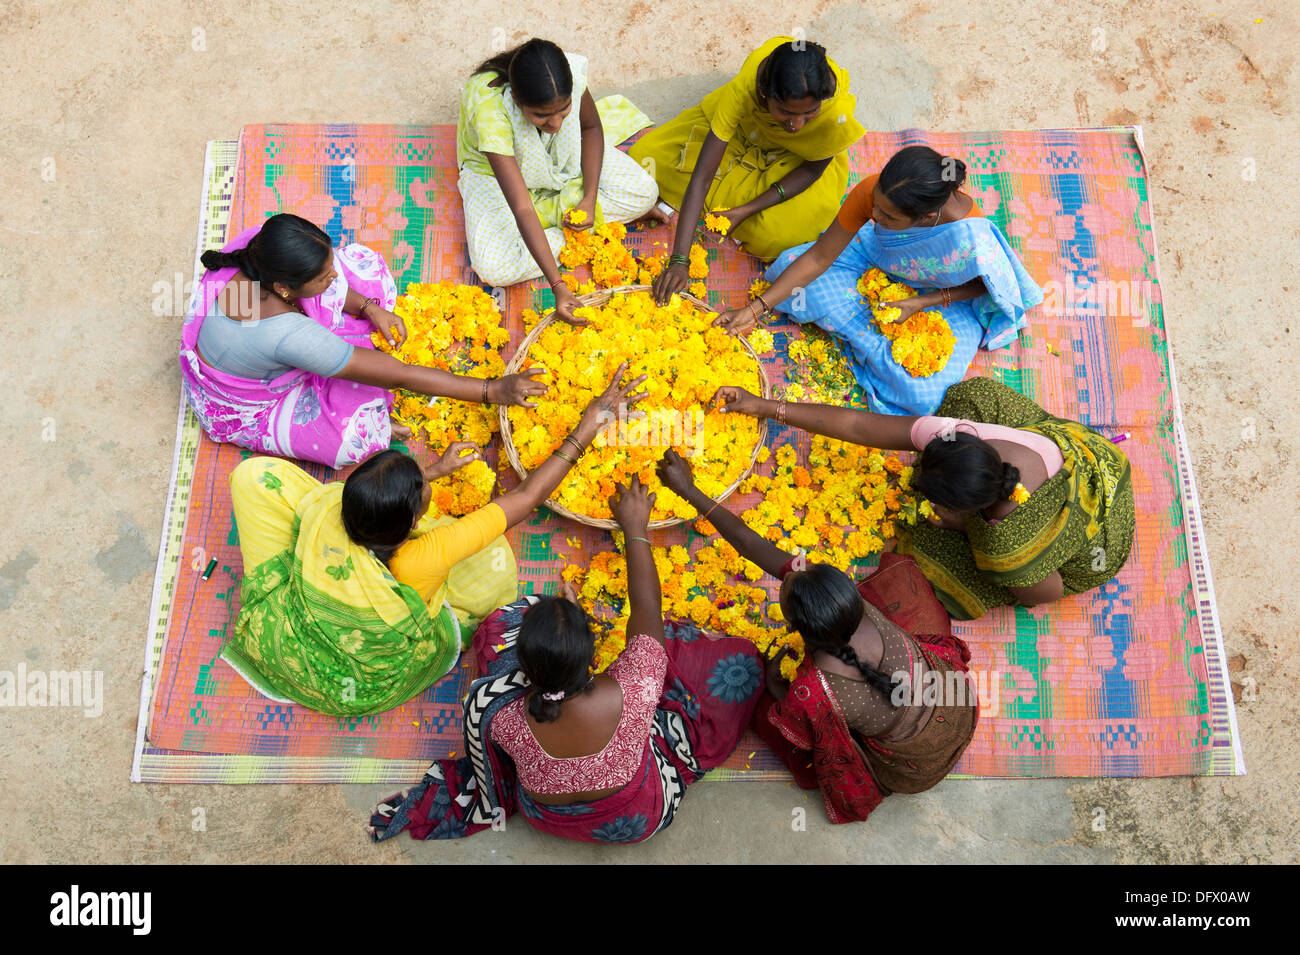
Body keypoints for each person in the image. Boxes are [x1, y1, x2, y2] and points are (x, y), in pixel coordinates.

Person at [220, 365, 648, 717]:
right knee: (495, 559)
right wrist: (592, 421)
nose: (427, 483)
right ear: (411, 522)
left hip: (285, 635)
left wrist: (433, 474)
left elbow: (389, 502)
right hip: (363, 674)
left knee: (254, 477)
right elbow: (525, 497)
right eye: (422, 490)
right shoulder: (424, 557)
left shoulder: (334, 511)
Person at [367, 476, 765, 844]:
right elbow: (647, 604)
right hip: (638, 820)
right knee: (738, 662)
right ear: (595, 656)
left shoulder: (496, 710)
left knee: (500, 623)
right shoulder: (634, 686)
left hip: (545, 816)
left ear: (521, 666)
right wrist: (634, 527)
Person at [655, 448, 978, 824]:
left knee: (755, 697)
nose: (788, 571)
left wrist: (777, 689)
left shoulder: (812, 688)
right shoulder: (860, 605)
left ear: (795, 628)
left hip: (913, 768)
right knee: (902, 584)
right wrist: (689, 490)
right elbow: (751, 544)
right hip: (958, 705)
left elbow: (809, 739)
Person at [711, 376, 1135, 620]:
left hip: (1097, 535)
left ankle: (971, 544)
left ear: (973, 511)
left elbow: (1045, 593)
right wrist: (766, 407)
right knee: (976, 396)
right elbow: (861, 427)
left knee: (920, 565)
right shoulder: (962, 434)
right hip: (1093, 459)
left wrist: (966, 533)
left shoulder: (1008, 543)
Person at [180, 213, 545, 468]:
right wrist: (491, 390)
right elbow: (398, 374)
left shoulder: (263, 248)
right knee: (350, 440)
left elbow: (330, 284)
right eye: (323, 277)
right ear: (283, 288)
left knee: (364, 282)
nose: (335, 276)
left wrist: (370, 308)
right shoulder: (288, 333)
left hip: (249, 341)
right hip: (246, 392)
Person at [716, 145, 1043, 415]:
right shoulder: (874, 193)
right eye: (877, 207)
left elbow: (990, 286)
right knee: (788, 267)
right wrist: (756, 309)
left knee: (924, 396)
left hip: (941, 297)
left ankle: (865, 340)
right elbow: (819, 258)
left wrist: (920, 302)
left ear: (926, 218)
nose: (875, 216)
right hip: (873, 256)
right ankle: (871, 344)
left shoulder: (968, 232)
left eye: (888, 217)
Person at [633, 35, 865, 289]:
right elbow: (702, 177)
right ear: (765, 96)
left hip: (795, 161)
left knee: (779, 236)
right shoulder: (747, 87)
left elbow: (811, 171)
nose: (795, 125)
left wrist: (747, 210)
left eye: (809, 113)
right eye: (785, 112)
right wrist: (679, 259)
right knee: (645, 158)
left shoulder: (835, 112)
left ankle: (740, 207)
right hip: (745, 133)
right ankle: (735, 201)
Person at [456, 38, 662, 316]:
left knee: (644, 192)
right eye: (541, 116)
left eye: (563, 111)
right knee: (495, 269)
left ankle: (566, 220)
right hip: (494, 172)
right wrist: (558, 284)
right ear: (517, 100)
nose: (555, 125)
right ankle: (575, 227)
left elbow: (589, 129)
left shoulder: (568, 76)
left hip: (555, 156)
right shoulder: (490, 111)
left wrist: (589, 199)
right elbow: (522, 207)